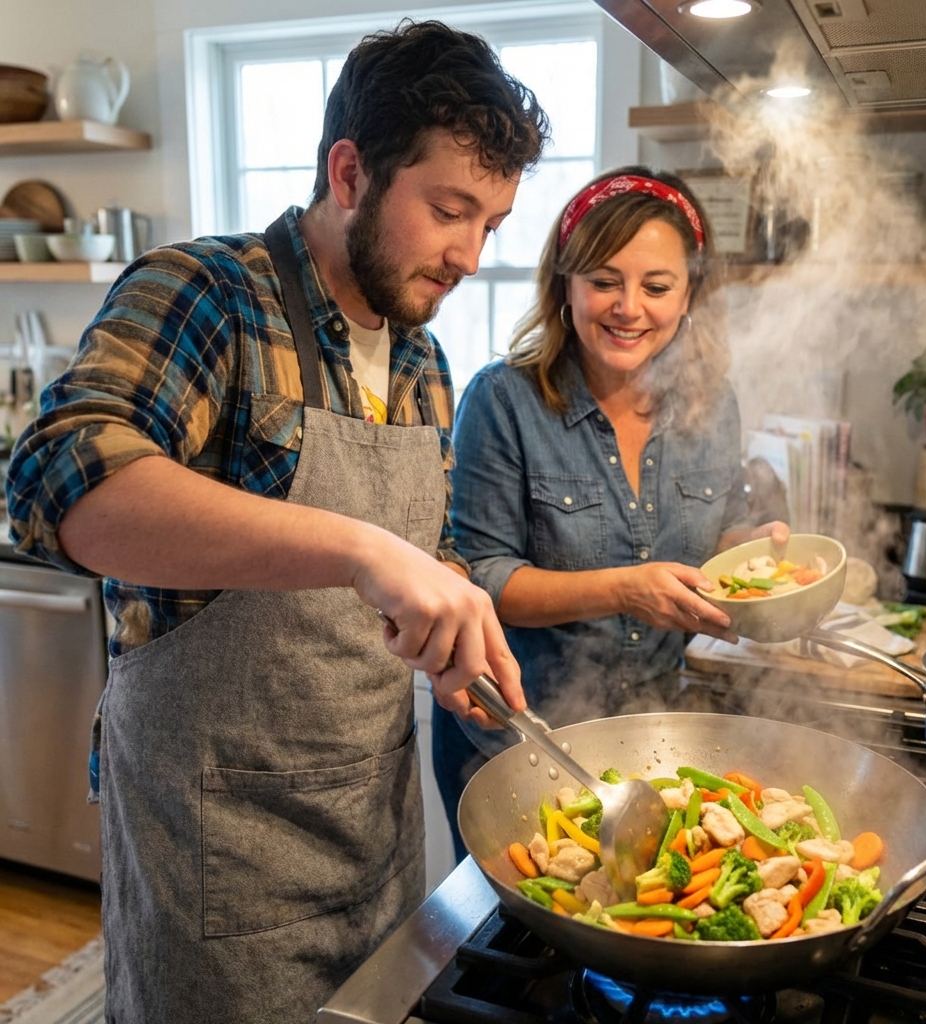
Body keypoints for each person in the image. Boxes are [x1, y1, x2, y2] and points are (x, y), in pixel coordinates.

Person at [5, 21, 547, 1024]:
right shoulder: (207, 293)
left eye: (492, 223)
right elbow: (59, 482)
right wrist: (358, 546)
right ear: (351, 171)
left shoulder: (423, 363)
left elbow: (414, 553)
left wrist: (452, 615)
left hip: (369, 847)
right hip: (213, 867)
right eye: (449, 211)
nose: (471, 254)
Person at [433, 167, 788, 857]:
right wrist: (626, 589)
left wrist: (756, 555)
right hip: (523, 745)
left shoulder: (712, 405)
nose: (629, 307)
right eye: (603, 280)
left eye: (656, 286)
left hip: (657, 735)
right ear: (565, 285)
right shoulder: (502, 401)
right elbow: (483, 579)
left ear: (689, 295)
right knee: (521, 946)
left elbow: (712, 537)